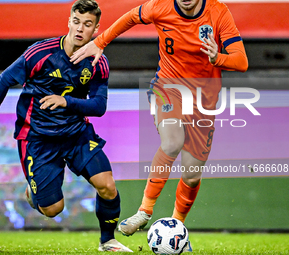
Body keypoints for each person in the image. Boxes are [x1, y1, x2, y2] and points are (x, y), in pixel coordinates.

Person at [70, 0, 248, 248]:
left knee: (192, 174)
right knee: (172, 142)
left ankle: (177, 227)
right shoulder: (160, 6)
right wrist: (99, 42)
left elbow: (241, 61)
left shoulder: (218, 12)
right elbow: (131, 17)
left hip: (204, 100)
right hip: (168, 88)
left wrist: (217, 57)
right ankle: (144, 212)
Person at [0, 0, 133, 252]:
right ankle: (35, 191)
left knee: (107, 186)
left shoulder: (98, 62)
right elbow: (4, 80)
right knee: (53, 209)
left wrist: (65, 101)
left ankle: (107, 240)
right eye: (76, 22)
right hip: (37, 138)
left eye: (87, 24)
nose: (80, 29)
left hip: (75, 134)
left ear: (96, 29)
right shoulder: (40, 53)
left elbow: (99, 106)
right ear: (68, 22)